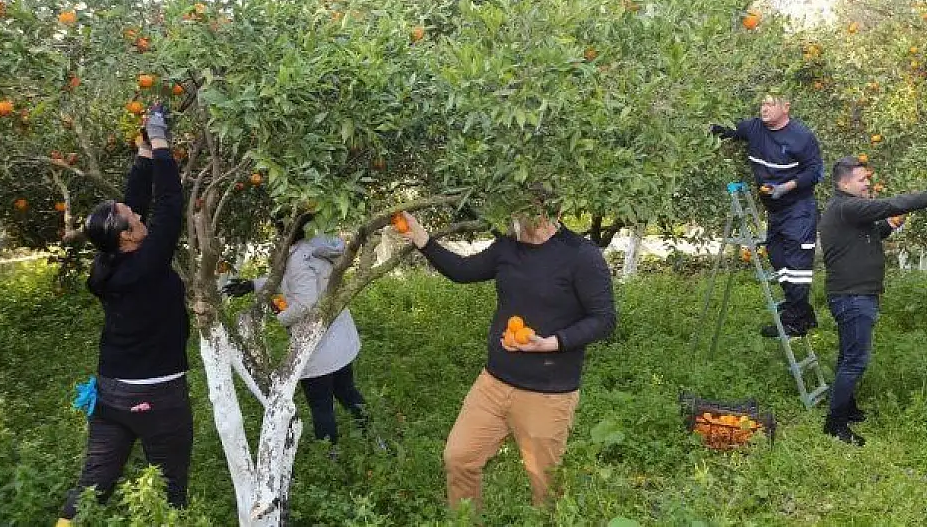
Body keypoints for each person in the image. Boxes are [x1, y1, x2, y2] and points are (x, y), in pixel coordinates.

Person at [395, 201, 616, 512]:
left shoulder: (580, 255)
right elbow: (461, 271)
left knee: (545, 487)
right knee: (459, 458)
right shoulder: (507, 247)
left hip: (547, 392)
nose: (515, 219)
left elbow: (604, 318)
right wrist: (421, 238)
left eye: (521, 210)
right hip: (494, 383)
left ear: (548, 210)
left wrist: (551, 343)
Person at [59, 104, 192, 522]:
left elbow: (129, 204)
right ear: (129, 239)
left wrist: (143, 155)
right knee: (171, 485)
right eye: (134, 220)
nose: (138, 214)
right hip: (156, 393)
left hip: (112, 390)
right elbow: (170, 203)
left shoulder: (108, 261)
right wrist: (162, 143)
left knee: (93, 481)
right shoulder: (147, 264)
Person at [818, 156, 927, 445]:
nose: (868, 183)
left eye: (868, 178)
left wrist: (890, 226)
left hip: (853, 294)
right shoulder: (846, 206)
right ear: (844, 183)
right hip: (852, 296)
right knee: (855, 360)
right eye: (862, 179)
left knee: (848, 355)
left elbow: (868, 235)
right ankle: (835, 423)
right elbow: (889, 204)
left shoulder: (847, 212)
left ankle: (847, 407)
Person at [222, 215, 380, 457]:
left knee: (321, 406)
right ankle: (375, 440)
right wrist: (253, 284)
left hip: (316, 345)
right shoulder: (312, 247)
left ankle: (330, 460)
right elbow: (289, 282)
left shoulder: (297, 258)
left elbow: (304, 302)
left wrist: (280, 318)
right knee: (348, 392)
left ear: (283, 232)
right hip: (338, 341)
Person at [711, 94, 824, 337]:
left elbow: (815, 172)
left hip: (799, 209)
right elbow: (731, 131)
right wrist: (710, 126)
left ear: (786, 107)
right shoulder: (753, 128)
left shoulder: (801, 137)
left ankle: (795, 322)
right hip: (775, 210)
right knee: (776, 255)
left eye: (770, 104)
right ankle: (802, 311)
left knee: (797, 267)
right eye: (762, 104)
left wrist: (787, 186)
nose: (764, 109)